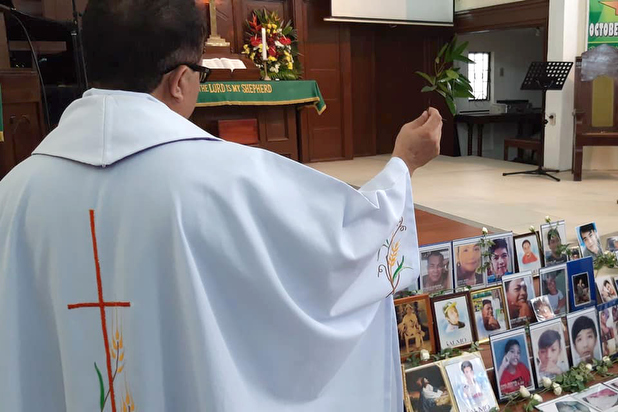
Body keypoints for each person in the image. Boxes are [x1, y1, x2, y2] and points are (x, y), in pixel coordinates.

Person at [0, 1, 445, 411]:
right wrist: (403, 164)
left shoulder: (13, 193)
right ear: (179, 80)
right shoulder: (232, 179)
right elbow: (346, 249)